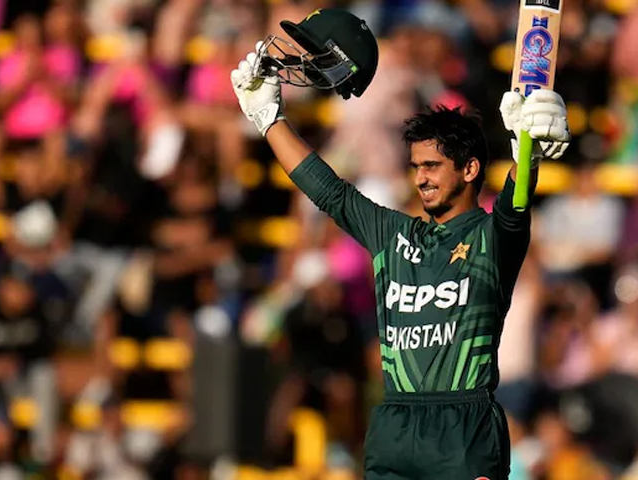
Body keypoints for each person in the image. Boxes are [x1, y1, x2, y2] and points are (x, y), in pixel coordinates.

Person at [230, 8, 570, 479]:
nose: (421, 178)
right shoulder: (392, 234)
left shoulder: (492, 238)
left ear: (470, 169)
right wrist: (269, 119)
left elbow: (517, 200)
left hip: (463, 431)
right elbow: (328, 191)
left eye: (433, 166)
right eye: (416, 167)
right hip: (394, 427)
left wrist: (528, 151)